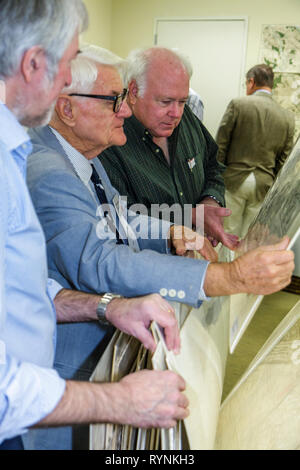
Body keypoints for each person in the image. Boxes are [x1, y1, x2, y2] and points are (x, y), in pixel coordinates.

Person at [26, 43, 294, 443]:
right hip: (67, 370)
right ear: (67, 109)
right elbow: (99, 260)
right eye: (115, 100)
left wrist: (171, 230)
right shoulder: (49, 172)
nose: (125, 111)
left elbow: (116, 216)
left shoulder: (86, 155)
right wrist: (224, 277)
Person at [0, 1, 189, 451]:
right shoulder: (38, 165)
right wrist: (118, 401)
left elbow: (19, 289)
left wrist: (106, 307)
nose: (67, 77)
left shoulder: (16, 153)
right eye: (67, 63)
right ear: (33, 64)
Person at [100, 46, 239, 250]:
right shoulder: (110, 141)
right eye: (165, 102)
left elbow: (213, 165)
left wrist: (210, 202)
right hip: (149, 269)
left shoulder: (187, 120)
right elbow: (117, 218)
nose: (175, 113)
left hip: (195, 259)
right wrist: (189, 215)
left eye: (182, 101)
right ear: (134, 91)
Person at [216, 63, 295, 239]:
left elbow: (221, 145)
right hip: (263, 185)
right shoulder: (287, 117)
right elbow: (284, 161)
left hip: (234, 179)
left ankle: (225, 266)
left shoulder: (238, 104)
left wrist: (216, 178)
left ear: (251, 82)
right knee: (250, 238)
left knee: (227, 233)